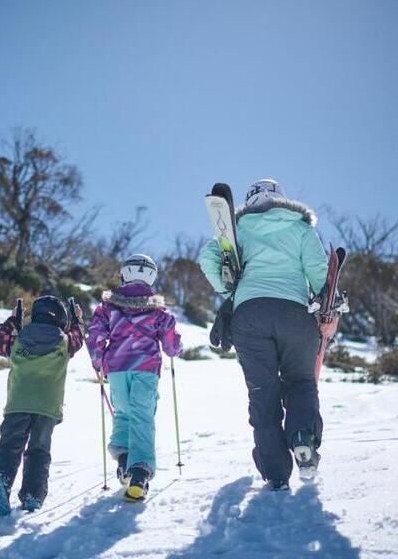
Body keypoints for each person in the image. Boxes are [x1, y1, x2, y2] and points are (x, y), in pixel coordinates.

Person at [198, 179, 332, 490]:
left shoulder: (236, 228)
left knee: (263, 392)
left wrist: (228, 289)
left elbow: (208, 258)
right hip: (295, 316)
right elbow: (320, 274)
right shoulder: (301, 228)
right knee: (300, 381)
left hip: (250, 315)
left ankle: (275, 473)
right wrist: (326, 305)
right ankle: (303, 437)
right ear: (281, 199)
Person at [86, 254, 182, 502]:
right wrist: (174, 349)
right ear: (152, 277)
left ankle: (125, 459)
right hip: (146, 368)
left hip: (116, 368)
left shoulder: (108, 307)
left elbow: (95, 334)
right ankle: (139, 472)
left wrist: (98, 359)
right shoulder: (158, 310)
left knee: (124, 413)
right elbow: (171, 344)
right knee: (142, 415)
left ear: (125, 273)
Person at [0, 295, 85, 517]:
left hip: (18, 403)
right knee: (39, 451)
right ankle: (32, 494)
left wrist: (13, 321)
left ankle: (0, 478)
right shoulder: (65, 341)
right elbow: (79, 337)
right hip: (47, 407)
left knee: (10, 445)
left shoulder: (18, 339)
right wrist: (78, 320)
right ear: (61, 318)